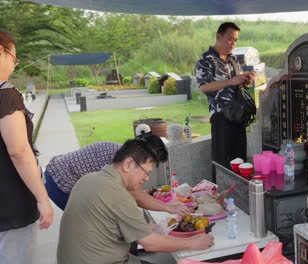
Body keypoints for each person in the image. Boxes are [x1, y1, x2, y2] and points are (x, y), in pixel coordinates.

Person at [57, 137, 214, 264]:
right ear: (128, 164)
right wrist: (192, 242)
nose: (146, 179)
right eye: (146, 172)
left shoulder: (88, 178)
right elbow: (150, 243)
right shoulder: (119, 194)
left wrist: (142, 226)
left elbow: (101, 222)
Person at [0, 29, 54, 263]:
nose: (15, 63)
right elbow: (19, 151)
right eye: (15, 57)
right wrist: (42, 198)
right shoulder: (6, 96)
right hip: (11, 204)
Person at [44, 133, 190, 215]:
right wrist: (168, 207)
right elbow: (137, 196)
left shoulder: (124, 152)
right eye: (151, 160)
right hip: (60, 182)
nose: (147, 176)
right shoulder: (122, 160)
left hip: (59, 172)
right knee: (93, 221)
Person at [195, 22, 255, 168]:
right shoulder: (206, 60)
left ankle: (239, 190)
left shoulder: (233, 59)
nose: (233, 43)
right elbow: (203, 87)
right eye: (230, 39)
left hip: (238, 115)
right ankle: (222, 190)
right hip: (221, 117)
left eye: (235, 40)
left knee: (240, 160)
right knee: (222, 161)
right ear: (218, 36)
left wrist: (246, 79)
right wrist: (230, 81)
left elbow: (237, 82)